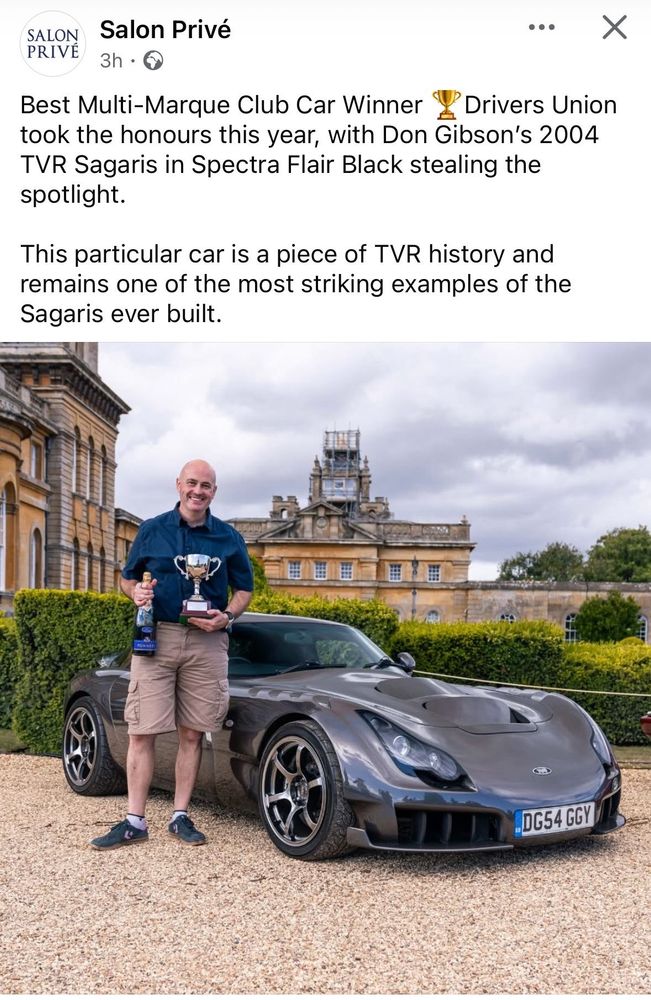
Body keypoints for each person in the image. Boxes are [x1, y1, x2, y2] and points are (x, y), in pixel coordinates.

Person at [90, 459, 254, 850]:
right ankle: (134, 820)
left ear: (215, 492)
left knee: (193, 733)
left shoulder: (229, 537)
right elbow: (128, 578)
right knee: (142, 729)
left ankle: (180, 816)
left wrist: (227, 616)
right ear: (179, 485)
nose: (199, 491)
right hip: (156, 637)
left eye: (207, 486)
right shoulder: (151, 530)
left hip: (207, 642)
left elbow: (244, 590)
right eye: (192, 483)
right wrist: (136, 593)